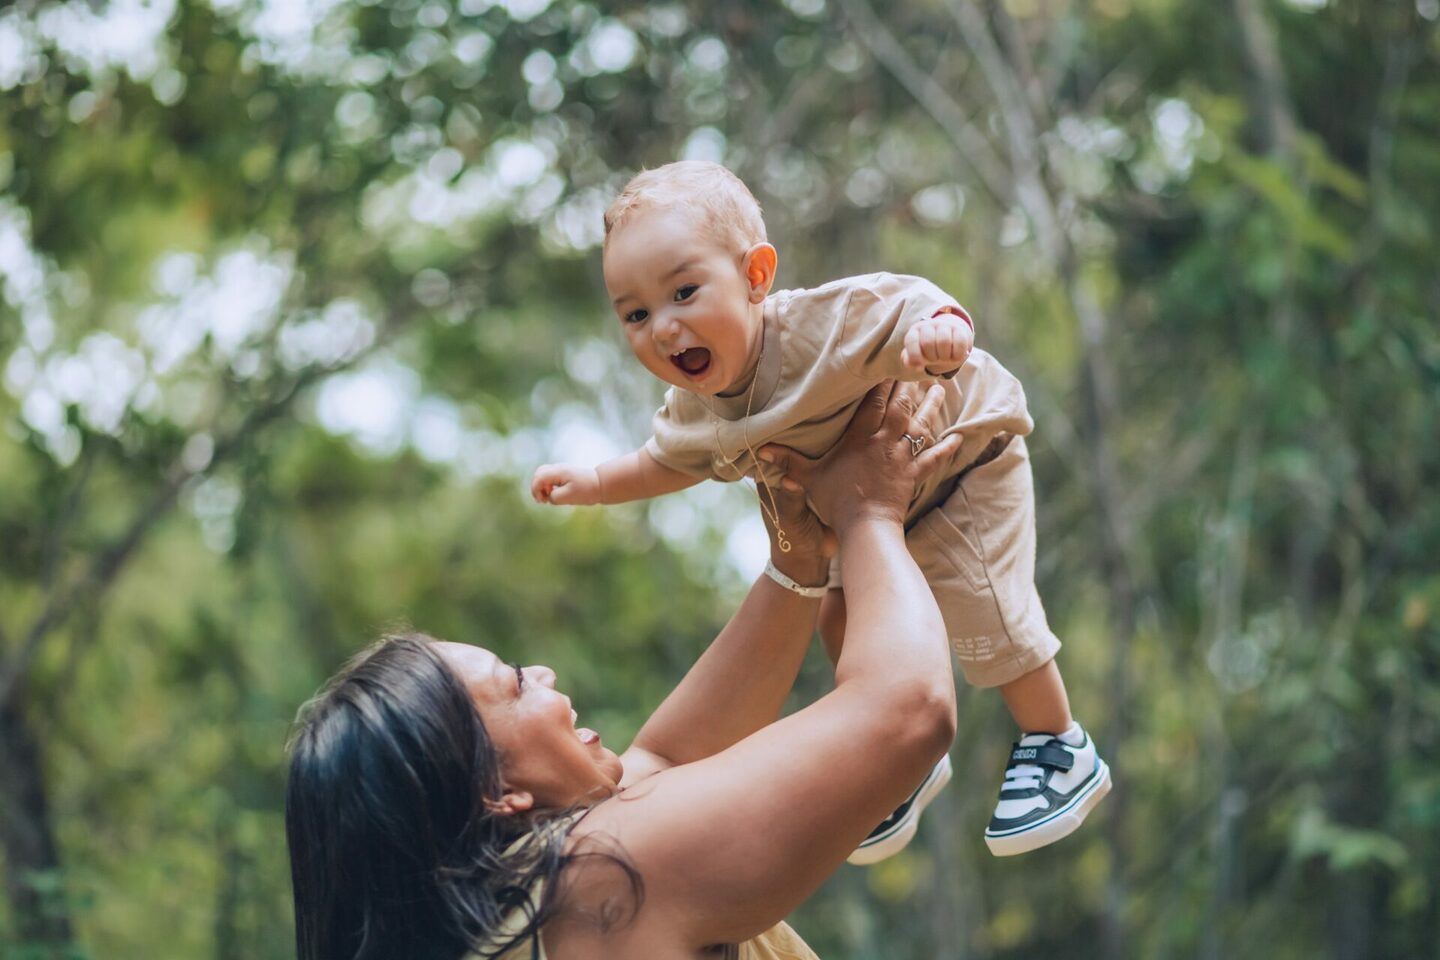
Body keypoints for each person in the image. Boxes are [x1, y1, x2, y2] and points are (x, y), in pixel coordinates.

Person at [529, 161, 1110, 859]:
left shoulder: (817, 325)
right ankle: (901, 765)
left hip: (961, 465)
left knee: (986, 611)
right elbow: (664, 461)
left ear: (755, 276)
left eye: (685, 291)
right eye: (636, 313)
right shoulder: (697, 406)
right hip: (863, 512)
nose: (664, 326)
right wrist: (592, 481)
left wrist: (940, 333)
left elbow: (910, 303)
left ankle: (1058, 745)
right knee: (843, 619)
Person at [286, 381, 958, 959]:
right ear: (495, 794)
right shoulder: (596, 880)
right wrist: (869, 511)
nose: (544, 675)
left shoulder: (523, 917)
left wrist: (798, 555)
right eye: (516, 683)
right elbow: (908, 708)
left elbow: (666, 758)